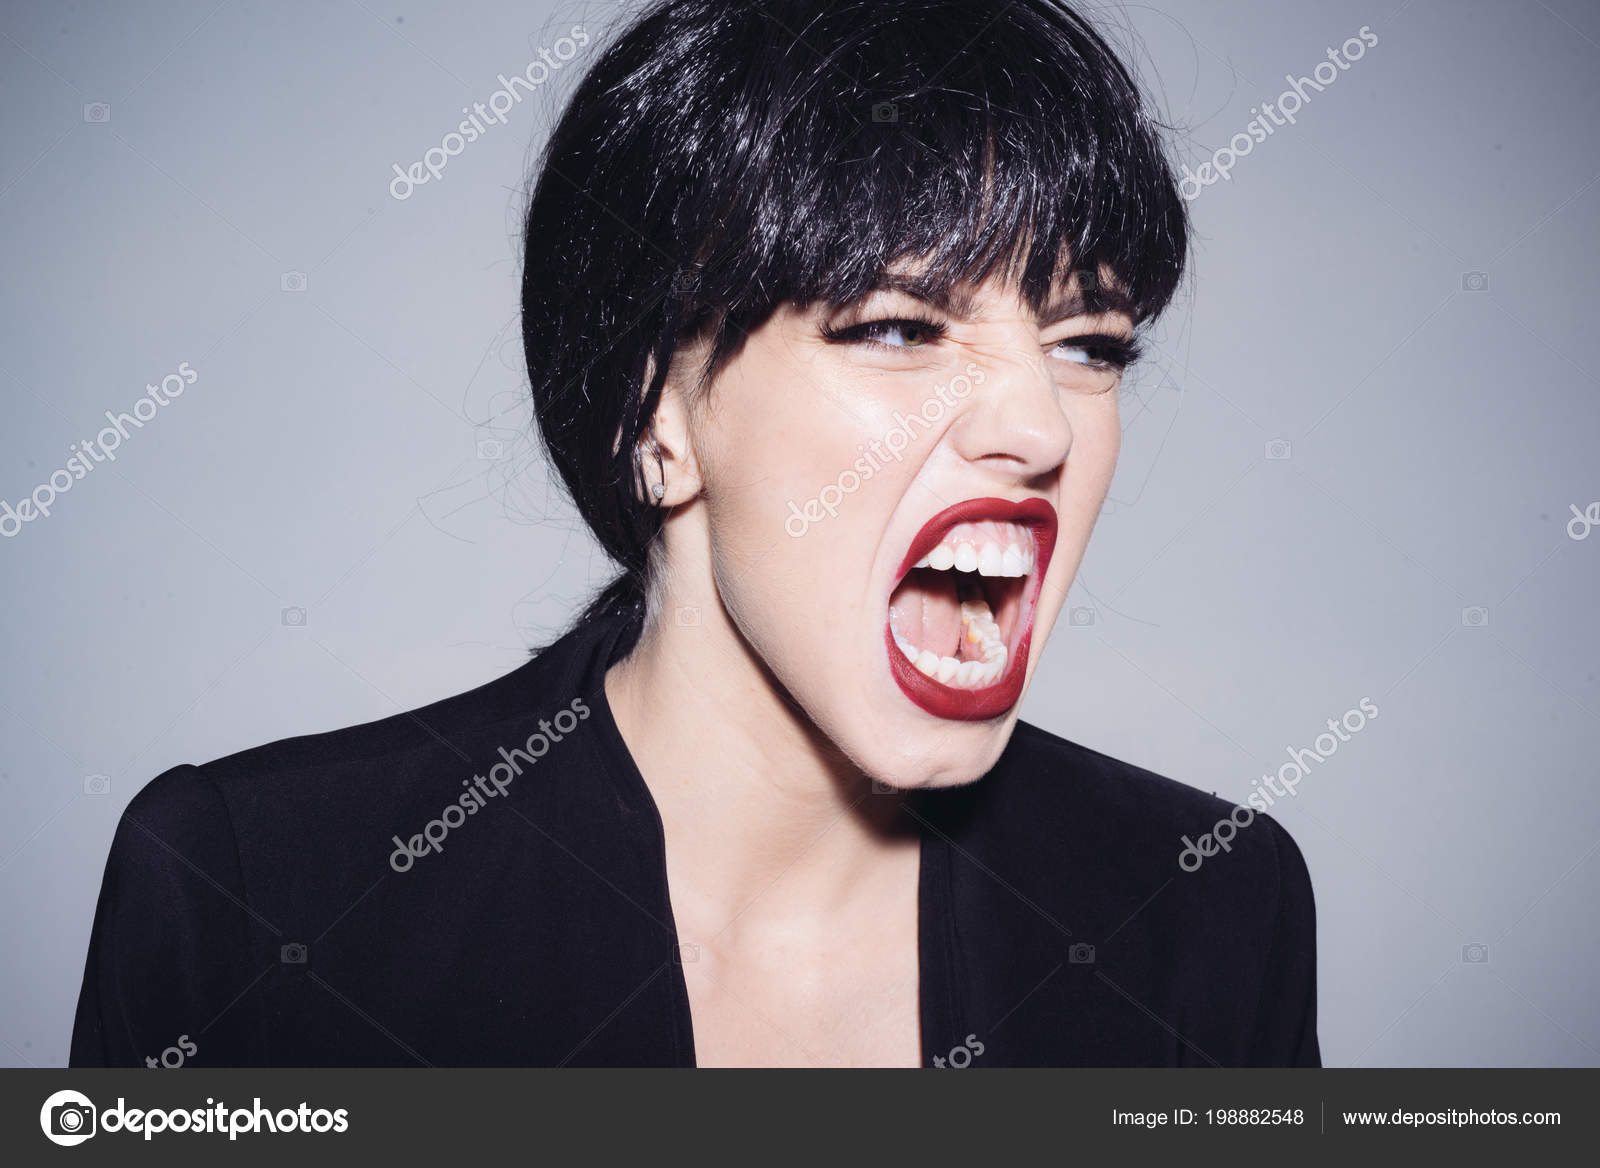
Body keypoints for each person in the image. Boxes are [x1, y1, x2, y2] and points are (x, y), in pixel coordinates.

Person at [71, 0, 1318, 1067]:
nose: (1039, 425)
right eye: (898, 327)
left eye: (1088, 345)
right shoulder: (261, 895)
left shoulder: (1208, 911)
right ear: (650, 419)